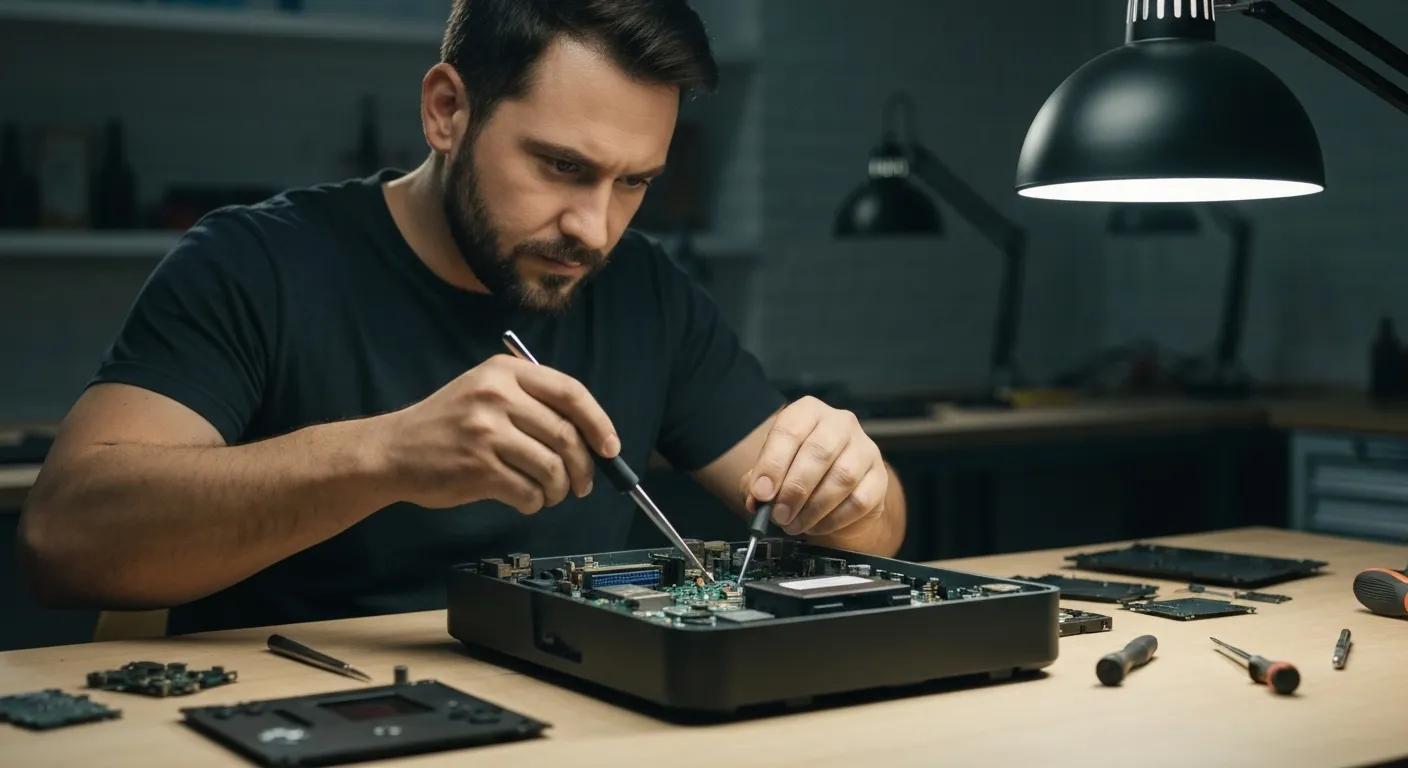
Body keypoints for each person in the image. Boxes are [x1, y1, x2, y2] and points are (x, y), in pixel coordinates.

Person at [19, 0, 906, 634]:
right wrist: (387, 455)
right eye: (562, 167)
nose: (595, 228)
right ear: (447, 110)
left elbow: (874, 534)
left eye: (634, 182)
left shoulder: (645, 290)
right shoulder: (255, 263)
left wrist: (848, 487)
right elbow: (63, 541)